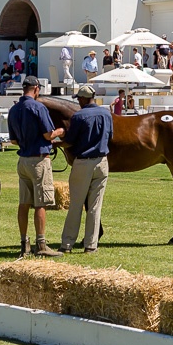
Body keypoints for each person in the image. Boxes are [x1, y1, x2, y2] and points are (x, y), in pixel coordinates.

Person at [10, 76, 64, 258]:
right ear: (35, 88)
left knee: (24, 203)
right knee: (41, 203)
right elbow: (49, 134)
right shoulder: (38, 107)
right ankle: (41, 243)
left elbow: (13, 140)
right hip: (39, 160)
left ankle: (24, 243)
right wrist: (60, 132)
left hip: (23, 160)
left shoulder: (14, 109)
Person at [61, 85, 112, 254]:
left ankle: (67, 243)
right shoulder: (106, 113)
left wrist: (56, 142)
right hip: (102, 162)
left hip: (83, 162)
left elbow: (70, 141)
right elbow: (109, 136)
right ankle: (91, 245)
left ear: (83, 99)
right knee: (96, 206)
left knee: (76, 205)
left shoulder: (79, 116)